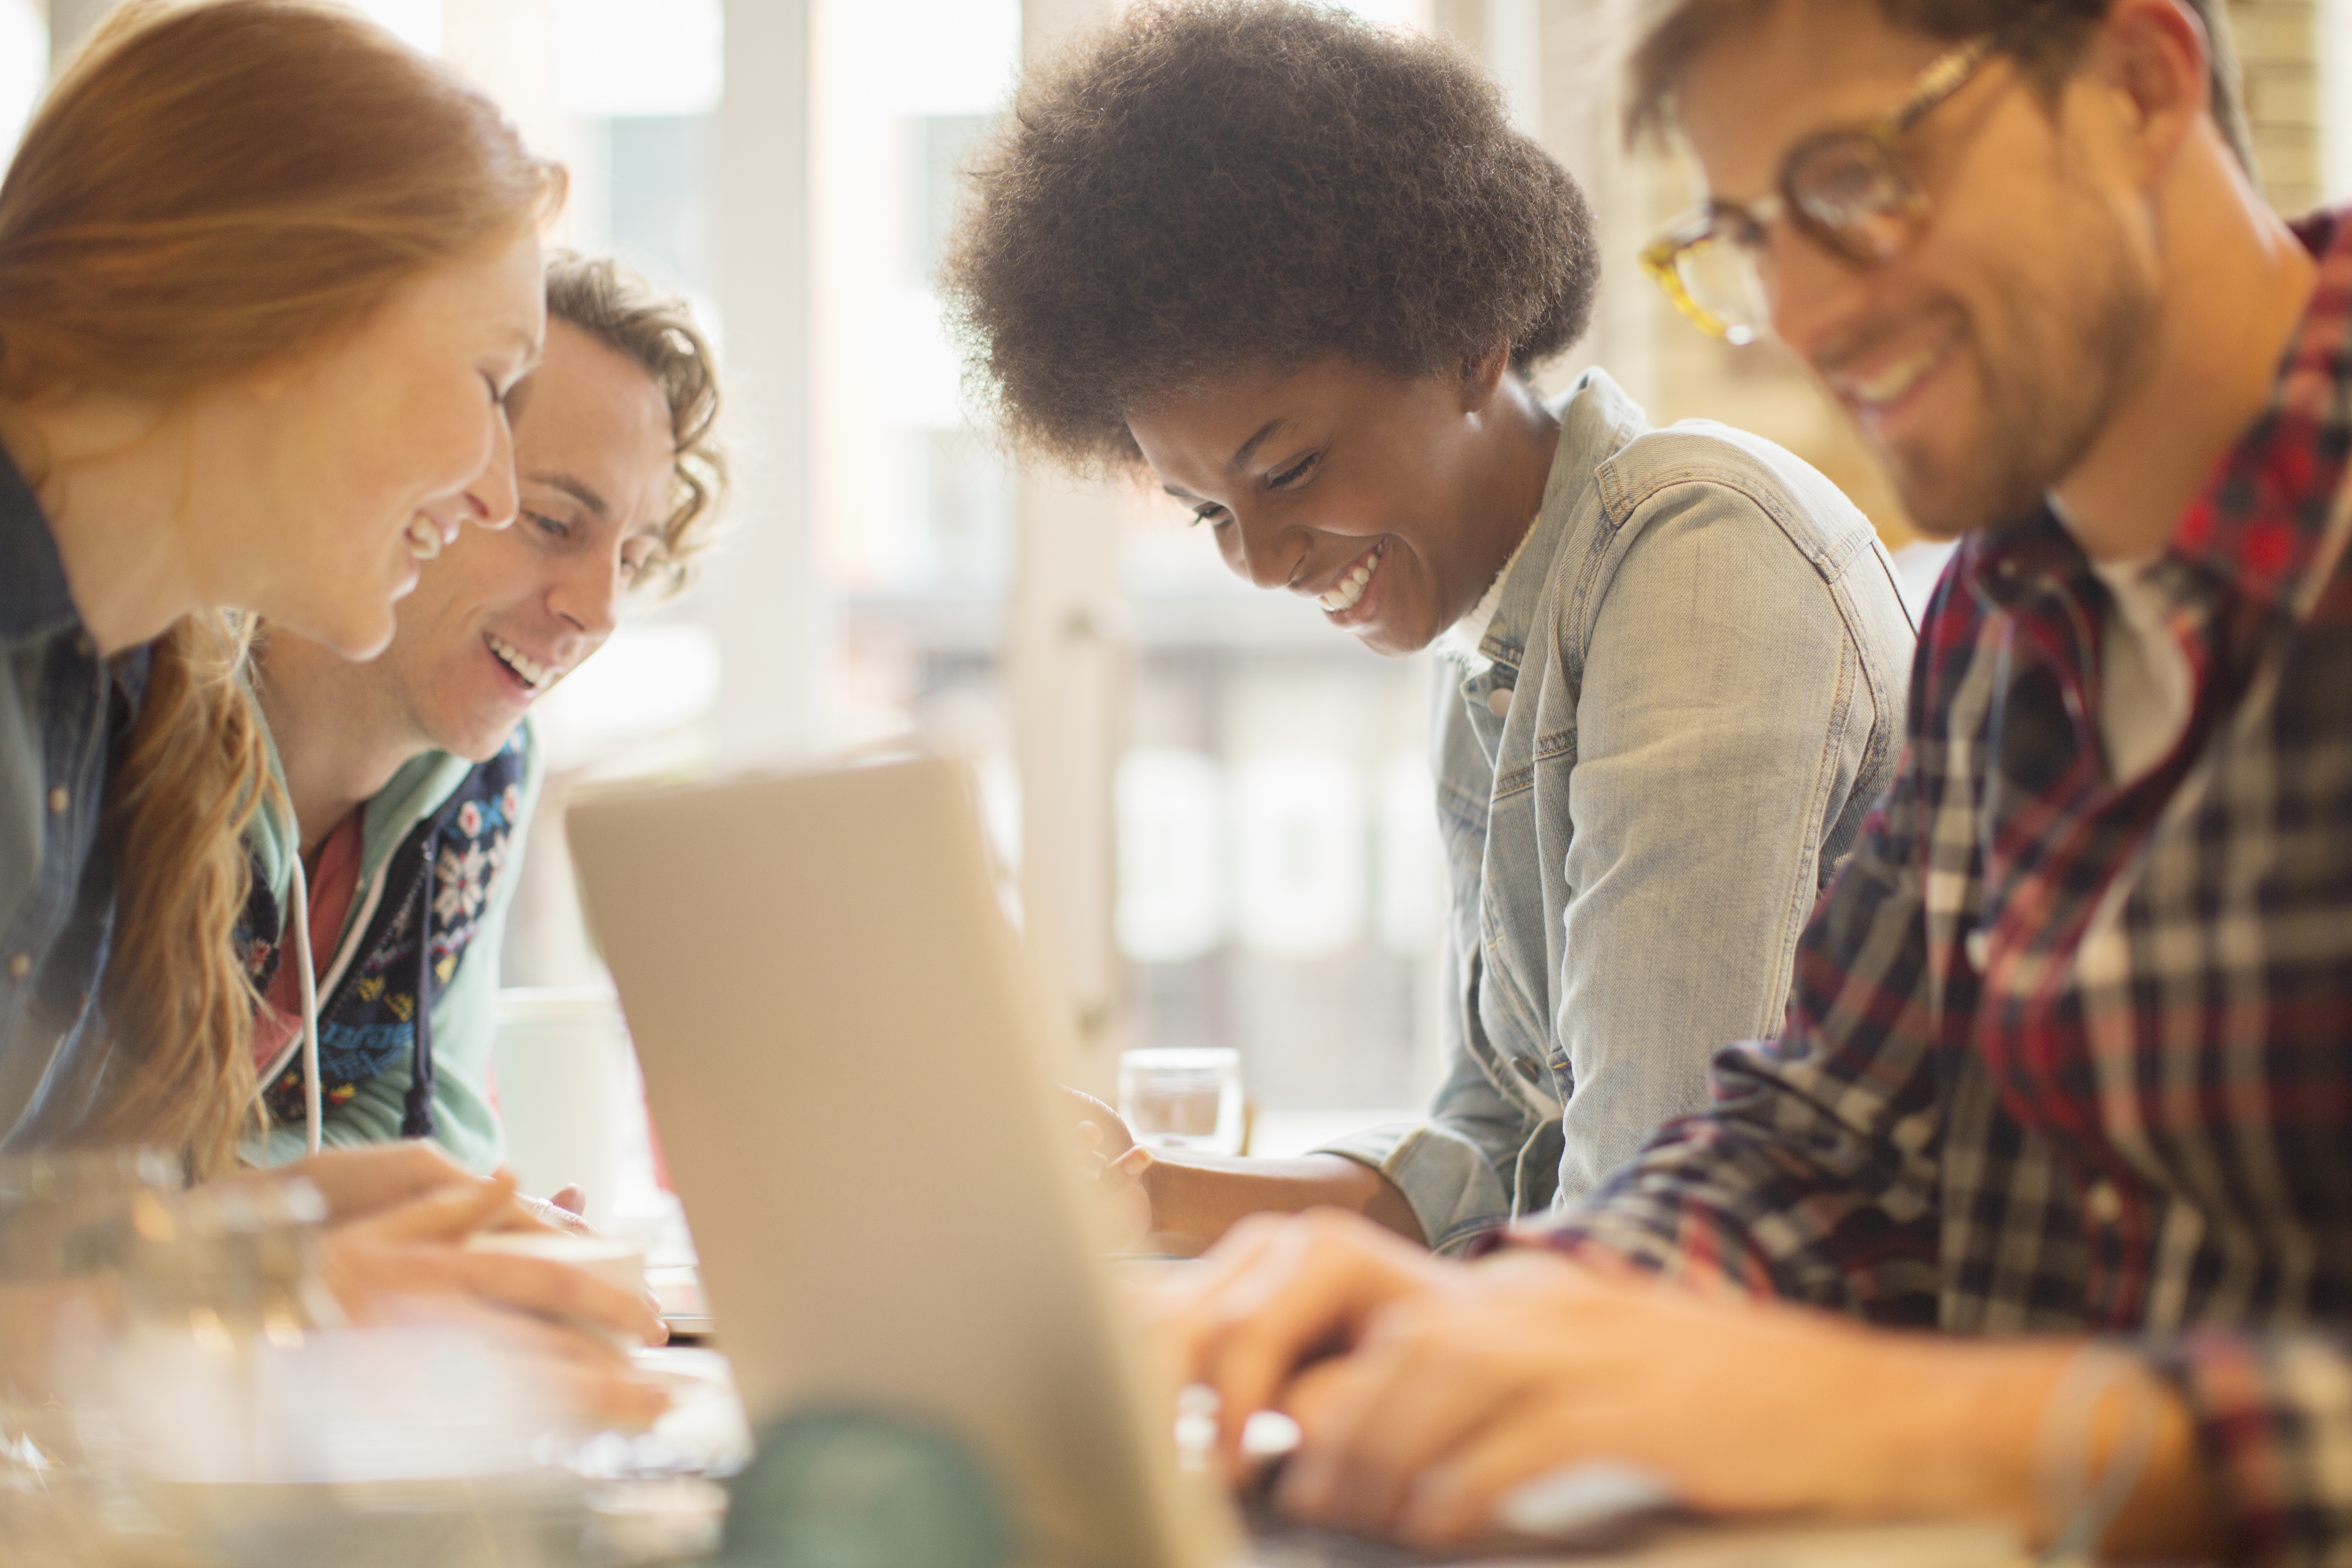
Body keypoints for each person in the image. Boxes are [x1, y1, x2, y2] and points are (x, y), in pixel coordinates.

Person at [1152, 0, 2352, 1559]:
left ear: (2135, 82)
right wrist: (1533, 1306)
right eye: (1742, 236)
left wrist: (1916, 1423)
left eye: (1851, 183)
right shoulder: (2010, 602)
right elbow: (1818, 1142)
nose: (1797, 312)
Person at [940, 0, 1915, 1255]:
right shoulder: (1496, 630)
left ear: (1464, 343)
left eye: (1285, 471)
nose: (1261, 563)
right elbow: (1497, 1144)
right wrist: (1146, 1190)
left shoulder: (1690, 551)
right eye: (1203, 516)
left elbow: (1644, 1194)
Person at [0, 0, 658, 1416]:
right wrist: (253, 1288)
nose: (491, 485)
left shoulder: (97, 682)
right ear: (278, 321)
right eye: (490, 386)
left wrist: (269, 1232)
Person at [240, 255, 725, 1176]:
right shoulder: (132, 725)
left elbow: (430, 1133)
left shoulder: (489, 780)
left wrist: (468, 1224)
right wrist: (336, 1212)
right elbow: (68, 1153)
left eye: (631, 558)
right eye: (551, 522)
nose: (600, 610)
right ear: (413, 473)